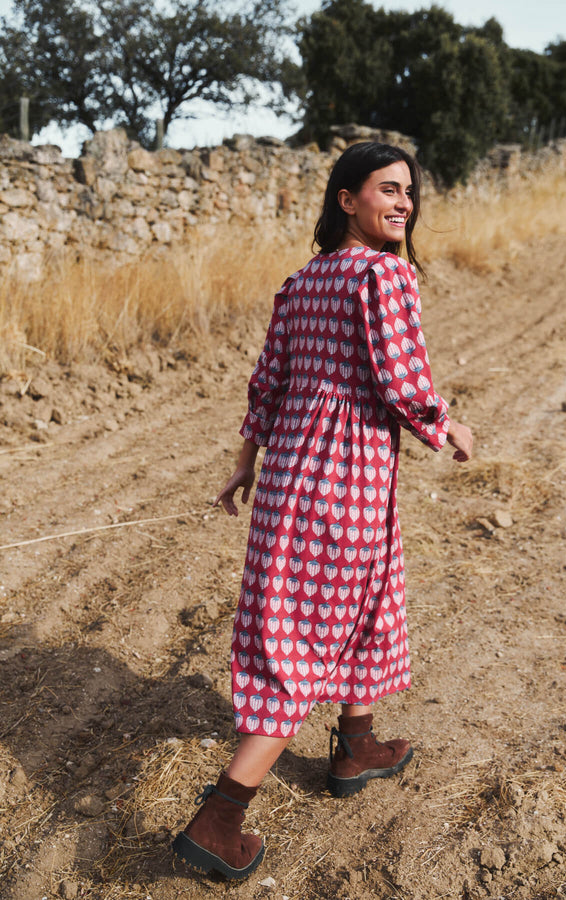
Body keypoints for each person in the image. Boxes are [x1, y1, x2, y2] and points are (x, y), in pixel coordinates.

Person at [172, 141, 473, 880]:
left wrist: (246, 464)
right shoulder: (384, 273)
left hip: (291, 486)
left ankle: (355, 745)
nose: (403, 203)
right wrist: (446, 425)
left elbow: (266, 382)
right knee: (303, 647)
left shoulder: (303, 282)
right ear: (347, 199)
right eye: (387, 190)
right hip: (344, 485)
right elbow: (402, 378)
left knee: (369, 602)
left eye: (410, 193)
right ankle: (221, 818)